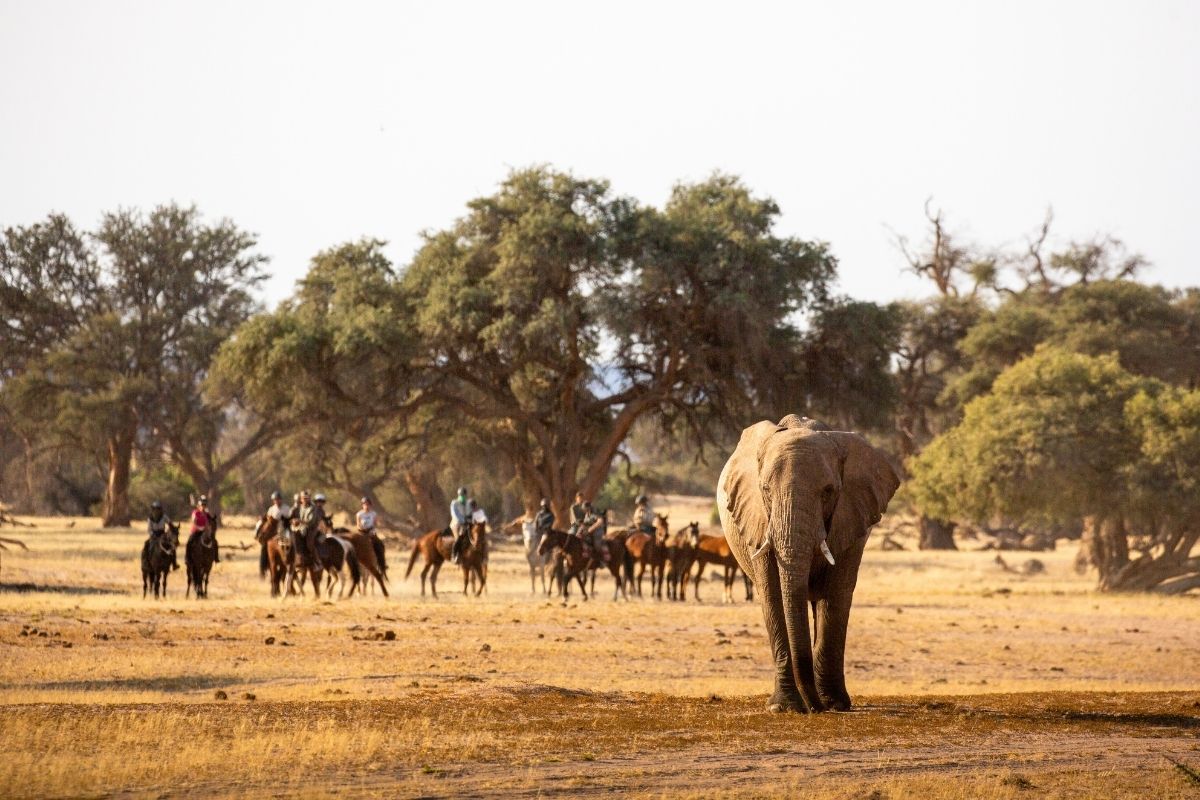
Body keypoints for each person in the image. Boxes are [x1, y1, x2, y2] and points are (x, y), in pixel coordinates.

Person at [146, 500, 178, 571]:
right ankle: (147, 563)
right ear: (153, 509)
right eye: (155, 509)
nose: (156, 511)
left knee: (172, 548)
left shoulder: (164, 516)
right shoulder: (150, 518)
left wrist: (173, 528)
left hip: (162, 535)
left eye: (158, 509)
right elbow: (149, 529)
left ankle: (174, 563)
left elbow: (170, 523)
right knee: (148, 546)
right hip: (153, 535)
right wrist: (152, 534)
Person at [190, 495, 220, 562]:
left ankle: (216, 557)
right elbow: (194, 523)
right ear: (199, 504)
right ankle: (188, 559)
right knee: (189, 542)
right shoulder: (195, 512)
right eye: (202, 504)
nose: (203, 506)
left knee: (214, 542)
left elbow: (210, 521)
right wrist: (200, 528)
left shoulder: (206, 513)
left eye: (204, 504)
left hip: (204, 532)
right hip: (196, 531)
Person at [449, 487, 470, 564]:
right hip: (456, 524)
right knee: (459, 538)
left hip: (466, 524)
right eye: (461, 495)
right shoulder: (454, 503)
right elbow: (455, 514)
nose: (462, 496)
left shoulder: (468, 503)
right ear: (458, 495)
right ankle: (454, 555)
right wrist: (463, 520)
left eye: (464, 495)